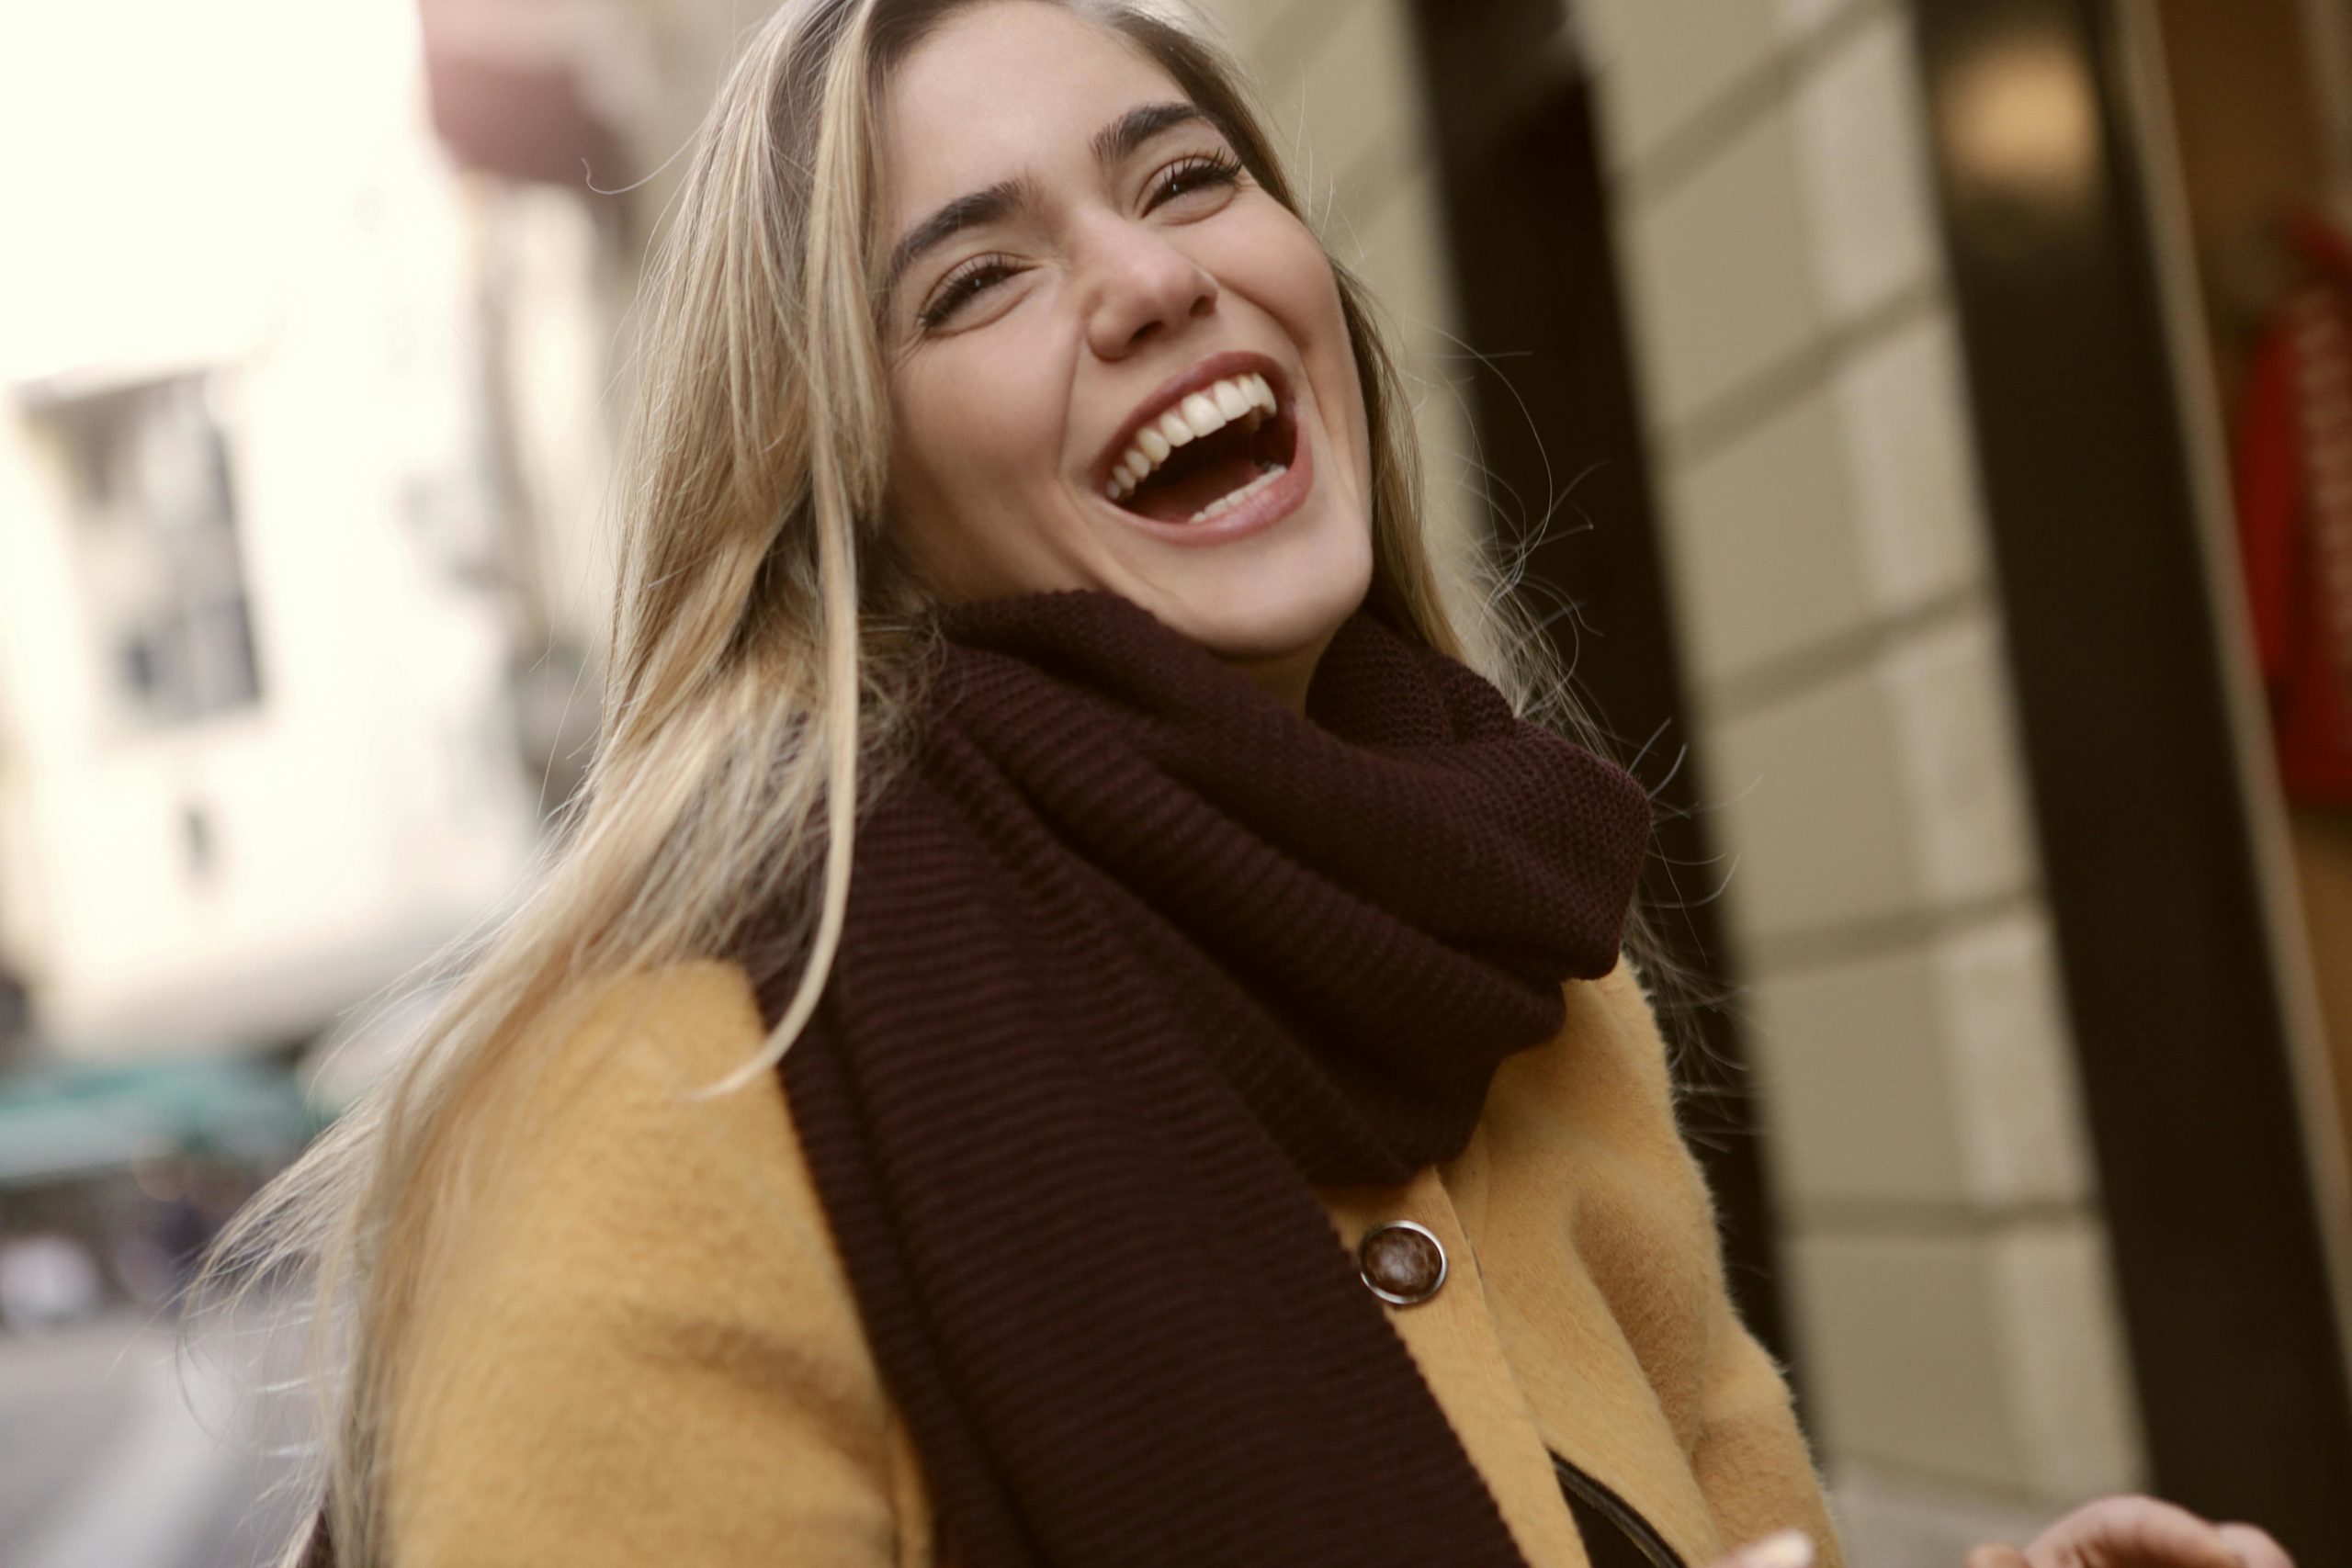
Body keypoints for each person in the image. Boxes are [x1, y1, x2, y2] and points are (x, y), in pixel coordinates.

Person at [211, 3, 2296, 1565]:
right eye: (976, 276)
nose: (1146, 279)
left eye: (1185, 174)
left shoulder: (1526, 976)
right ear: (852, 499)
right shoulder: (660, 1098)